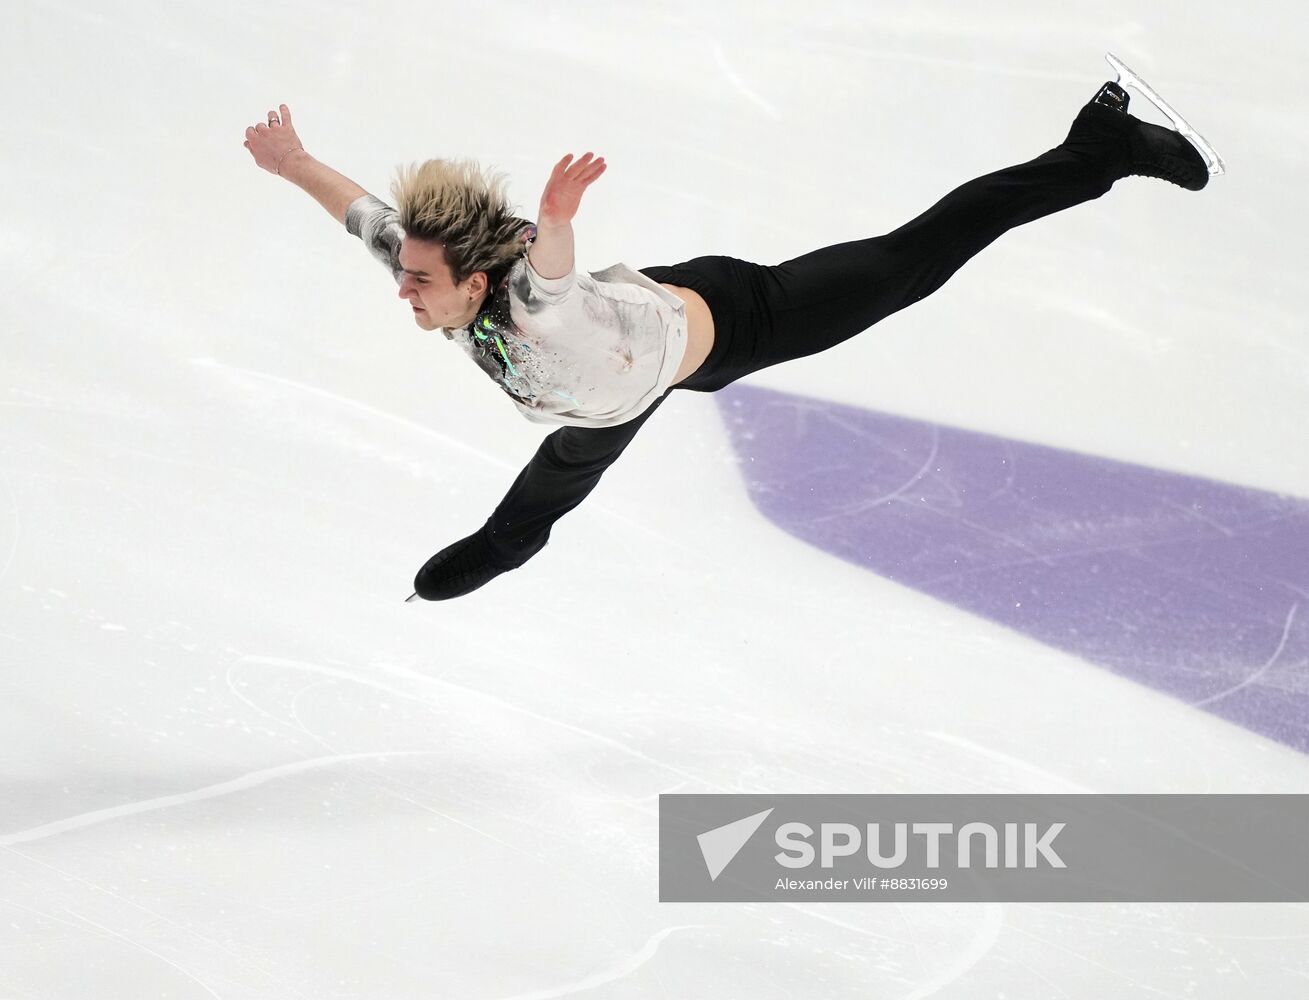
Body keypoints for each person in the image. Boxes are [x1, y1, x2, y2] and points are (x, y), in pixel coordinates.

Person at [243, 63, 1217, 602]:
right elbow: (365, 214)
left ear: (475, 278)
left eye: (418, 283)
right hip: (610, 389)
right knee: (540, 502)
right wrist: (293, 161)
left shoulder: (535, 297)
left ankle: (1096, 149)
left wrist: (558, 211)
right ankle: (499, 550)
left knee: (911, 261)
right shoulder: (445, 276)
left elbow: (549, 269)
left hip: (731, 322)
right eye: (407, 276)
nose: (403, 292)